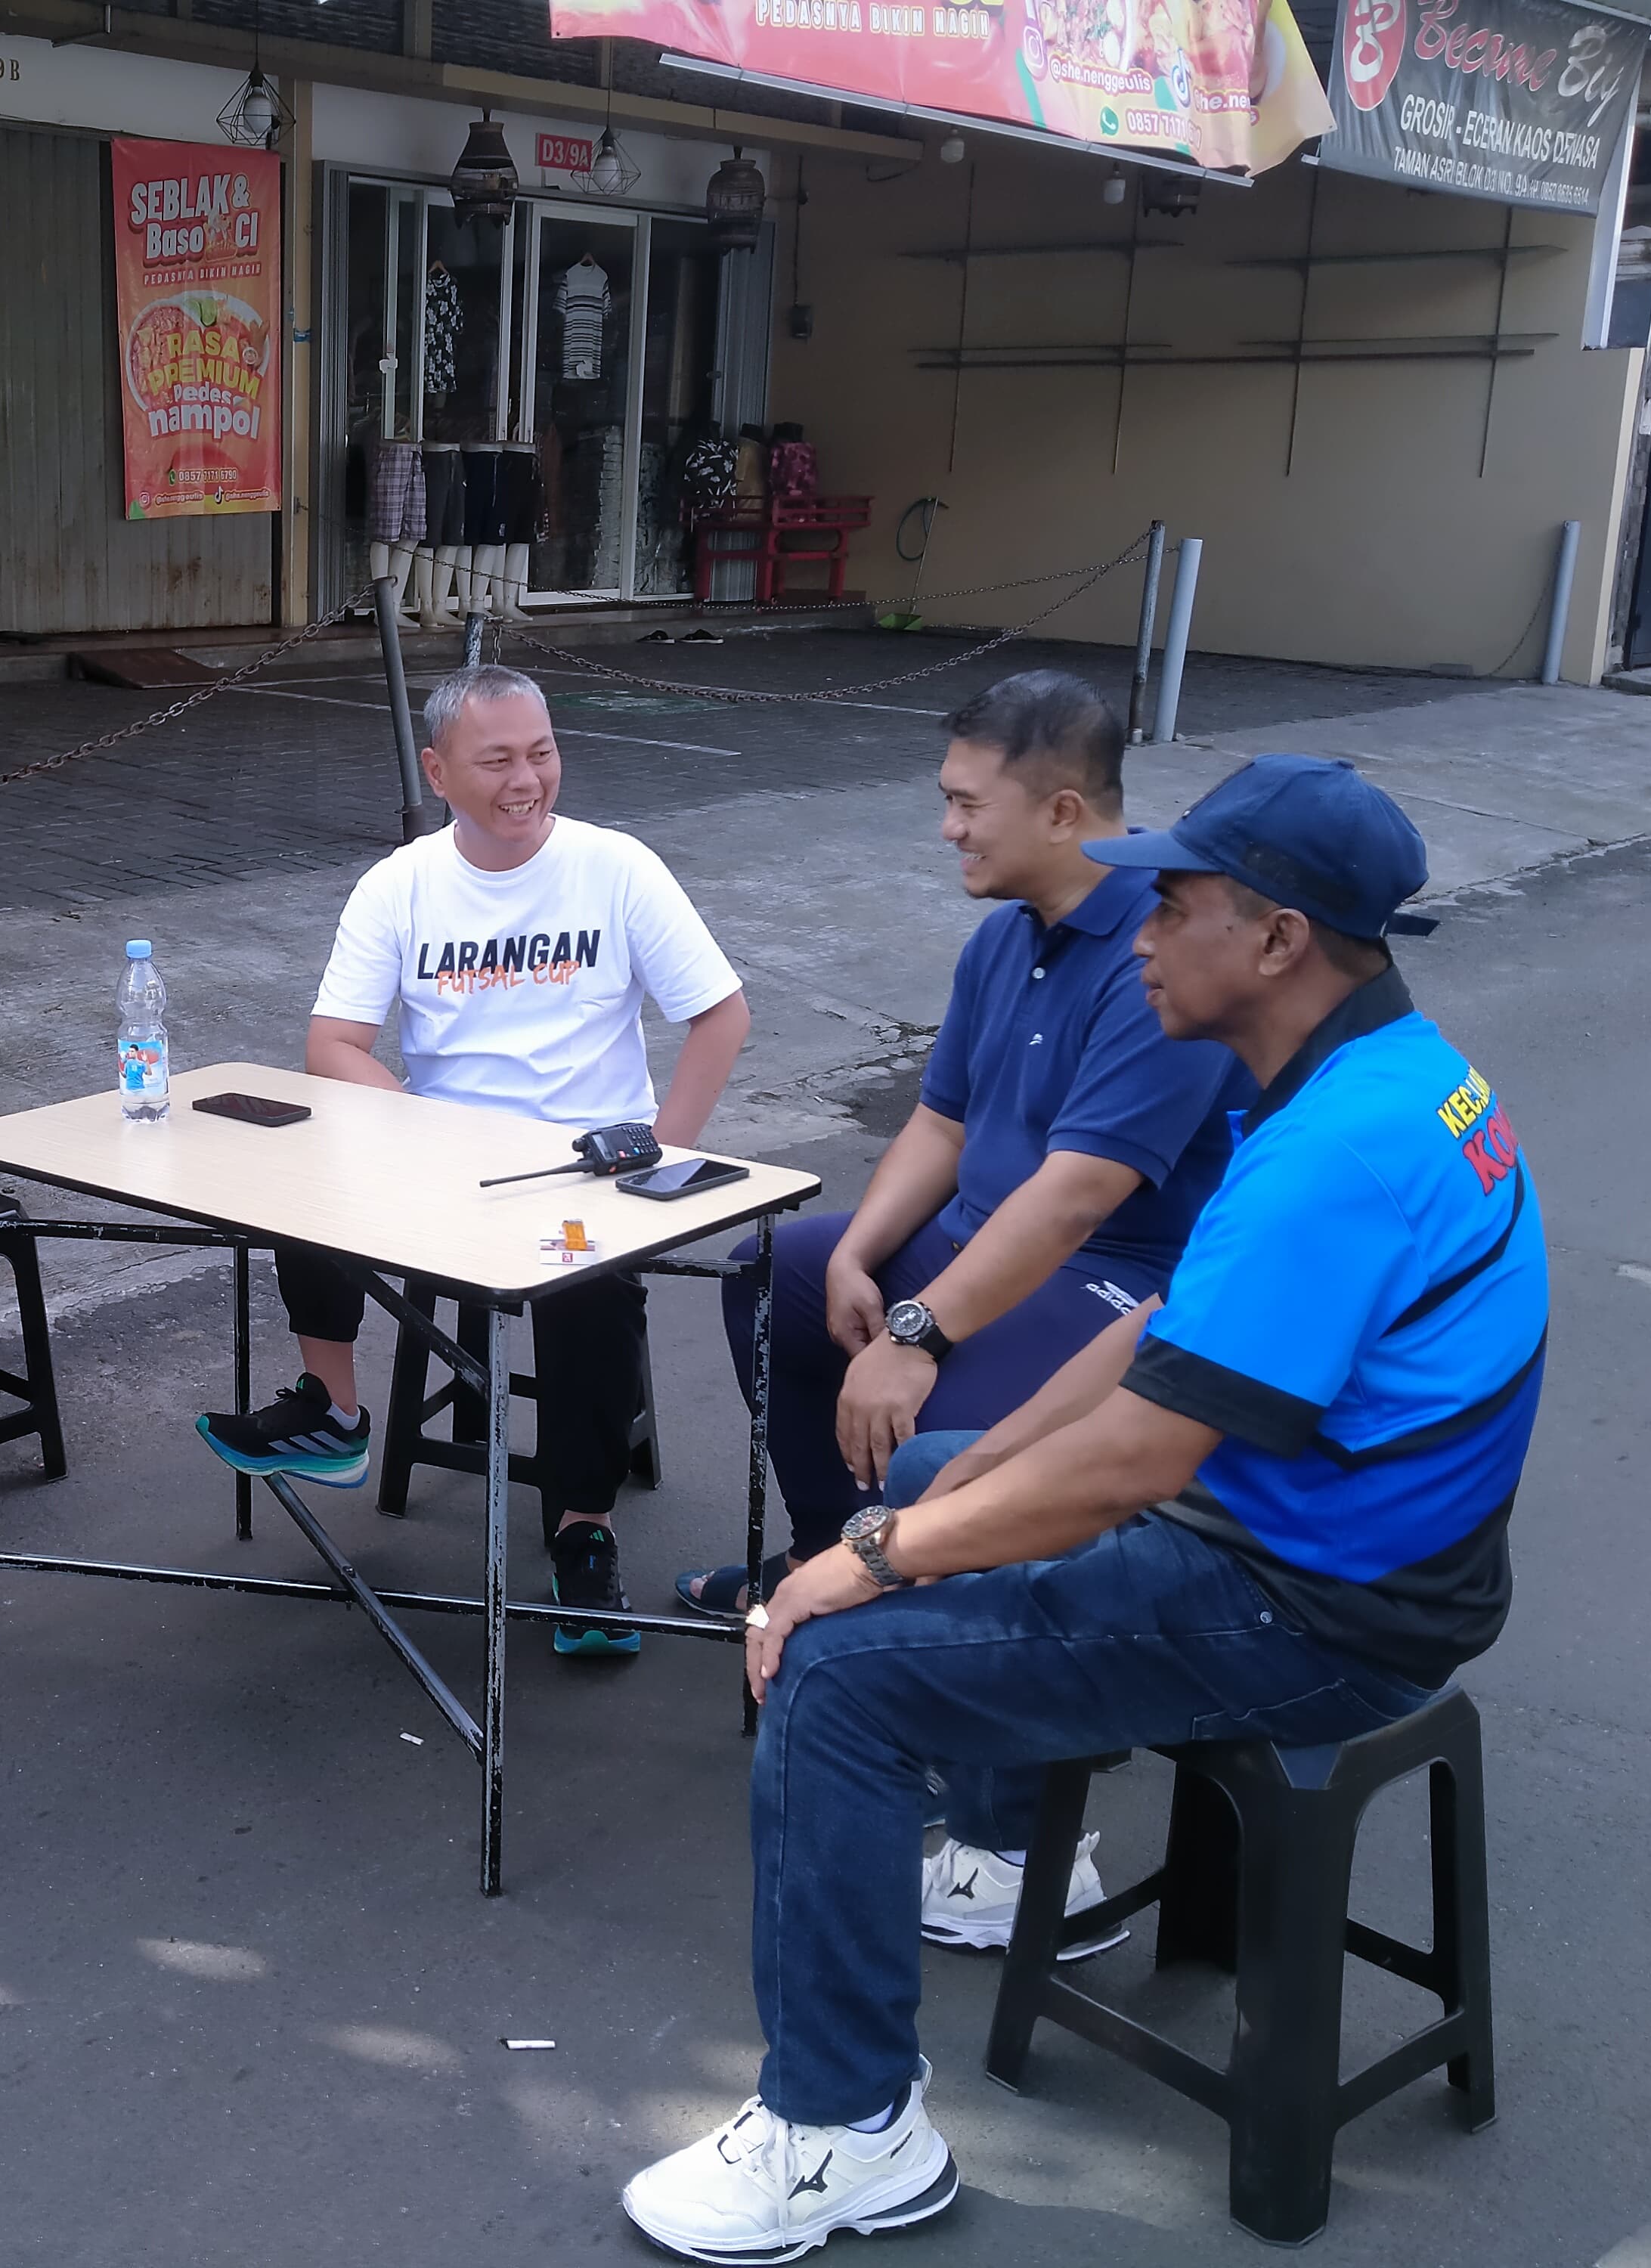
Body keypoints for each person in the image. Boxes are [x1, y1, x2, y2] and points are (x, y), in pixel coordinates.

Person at [617, 757, 1545, 2262]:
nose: (1137, 936)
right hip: (1336, 1540)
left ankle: (840, 2134)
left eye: (1170, 905)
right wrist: (964, 1477)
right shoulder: (1368, 1067)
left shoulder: (1338, 1150)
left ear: (1273, 939)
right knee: (933, 1470)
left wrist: (855, 1566)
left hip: (1316, 1606)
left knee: (833, 1679)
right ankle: (984, 1871)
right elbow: (1171, 1327)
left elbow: (1136, 1466)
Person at [679, 677, 1252, 1735]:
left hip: (1106, 1280)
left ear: (1062, 812)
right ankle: (830, 1552)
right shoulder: (1004, 937)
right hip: (976, 1245)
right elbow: (943, 1124)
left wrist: (917, 1328)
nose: (946, 830)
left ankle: (922, 1639)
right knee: (777, 1278)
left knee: (933, 1425)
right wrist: (859, 1255)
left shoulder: (1159, 955)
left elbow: (1079, 1198)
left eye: (966, 805)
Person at [192, 663, 751, 1653]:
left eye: (542, 753)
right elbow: (334, 1045)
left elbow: (720, 1014)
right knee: (297, 1169)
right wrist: (422, 1136)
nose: (526, 779)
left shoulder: (615, 868)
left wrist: (664, 1156)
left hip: (586, 1172)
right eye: (497, 760)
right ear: (438, 771)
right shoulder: (401, 886)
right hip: (442, 1165)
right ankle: (335, 1409)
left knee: (585, 1285)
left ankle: (585, 1534)